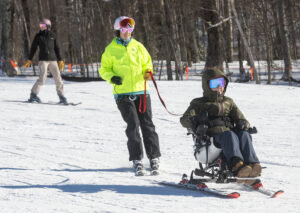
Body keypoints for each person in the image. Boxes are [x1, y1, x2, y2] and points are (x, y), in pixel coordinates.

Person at [99, 16, 161, 175]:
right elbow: (104, 69)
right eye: (124, 29)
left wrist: (148, 72)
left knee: (147, 124)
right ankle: (137, 159)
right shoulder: (110, 49)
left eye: (130, 29)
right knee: (133, 125)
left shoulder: (138, 46)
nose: (127, 33)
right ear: (118, 29)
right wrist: (112, 77)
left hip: (142, 91)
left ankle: (154, 157)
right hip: (123, 93)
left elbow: (148, 63)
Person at [180, 68, 261, 184]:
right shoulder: (198, 103)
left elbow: (241, 118)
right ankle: (237, 166)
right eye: (215, 83)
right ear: (206, 85)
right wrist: (197, 121)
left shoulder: (229, 102)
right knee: (229, 135)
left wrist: (243, 123)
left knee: (244, 134)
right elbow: (184, 120)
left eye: (222, 83)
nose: (219, 86)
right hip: (210, 141)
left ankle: (252, 166)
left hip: (229, 136)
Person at [22, 18, 67, 104]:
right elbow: (33, 48)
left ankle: (61, 96)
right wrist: (29, 59)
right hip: (43, 60)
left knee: (58, 78)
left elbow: (57, 48)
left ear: (48, 26)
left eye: (42, 25)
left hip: (53, 60)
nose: (41, 27)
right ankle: (33, 94)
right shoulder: (38, 36)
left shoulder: (53, 35)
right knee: (42, 78)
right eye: (40, 25)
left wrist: (60, 60)